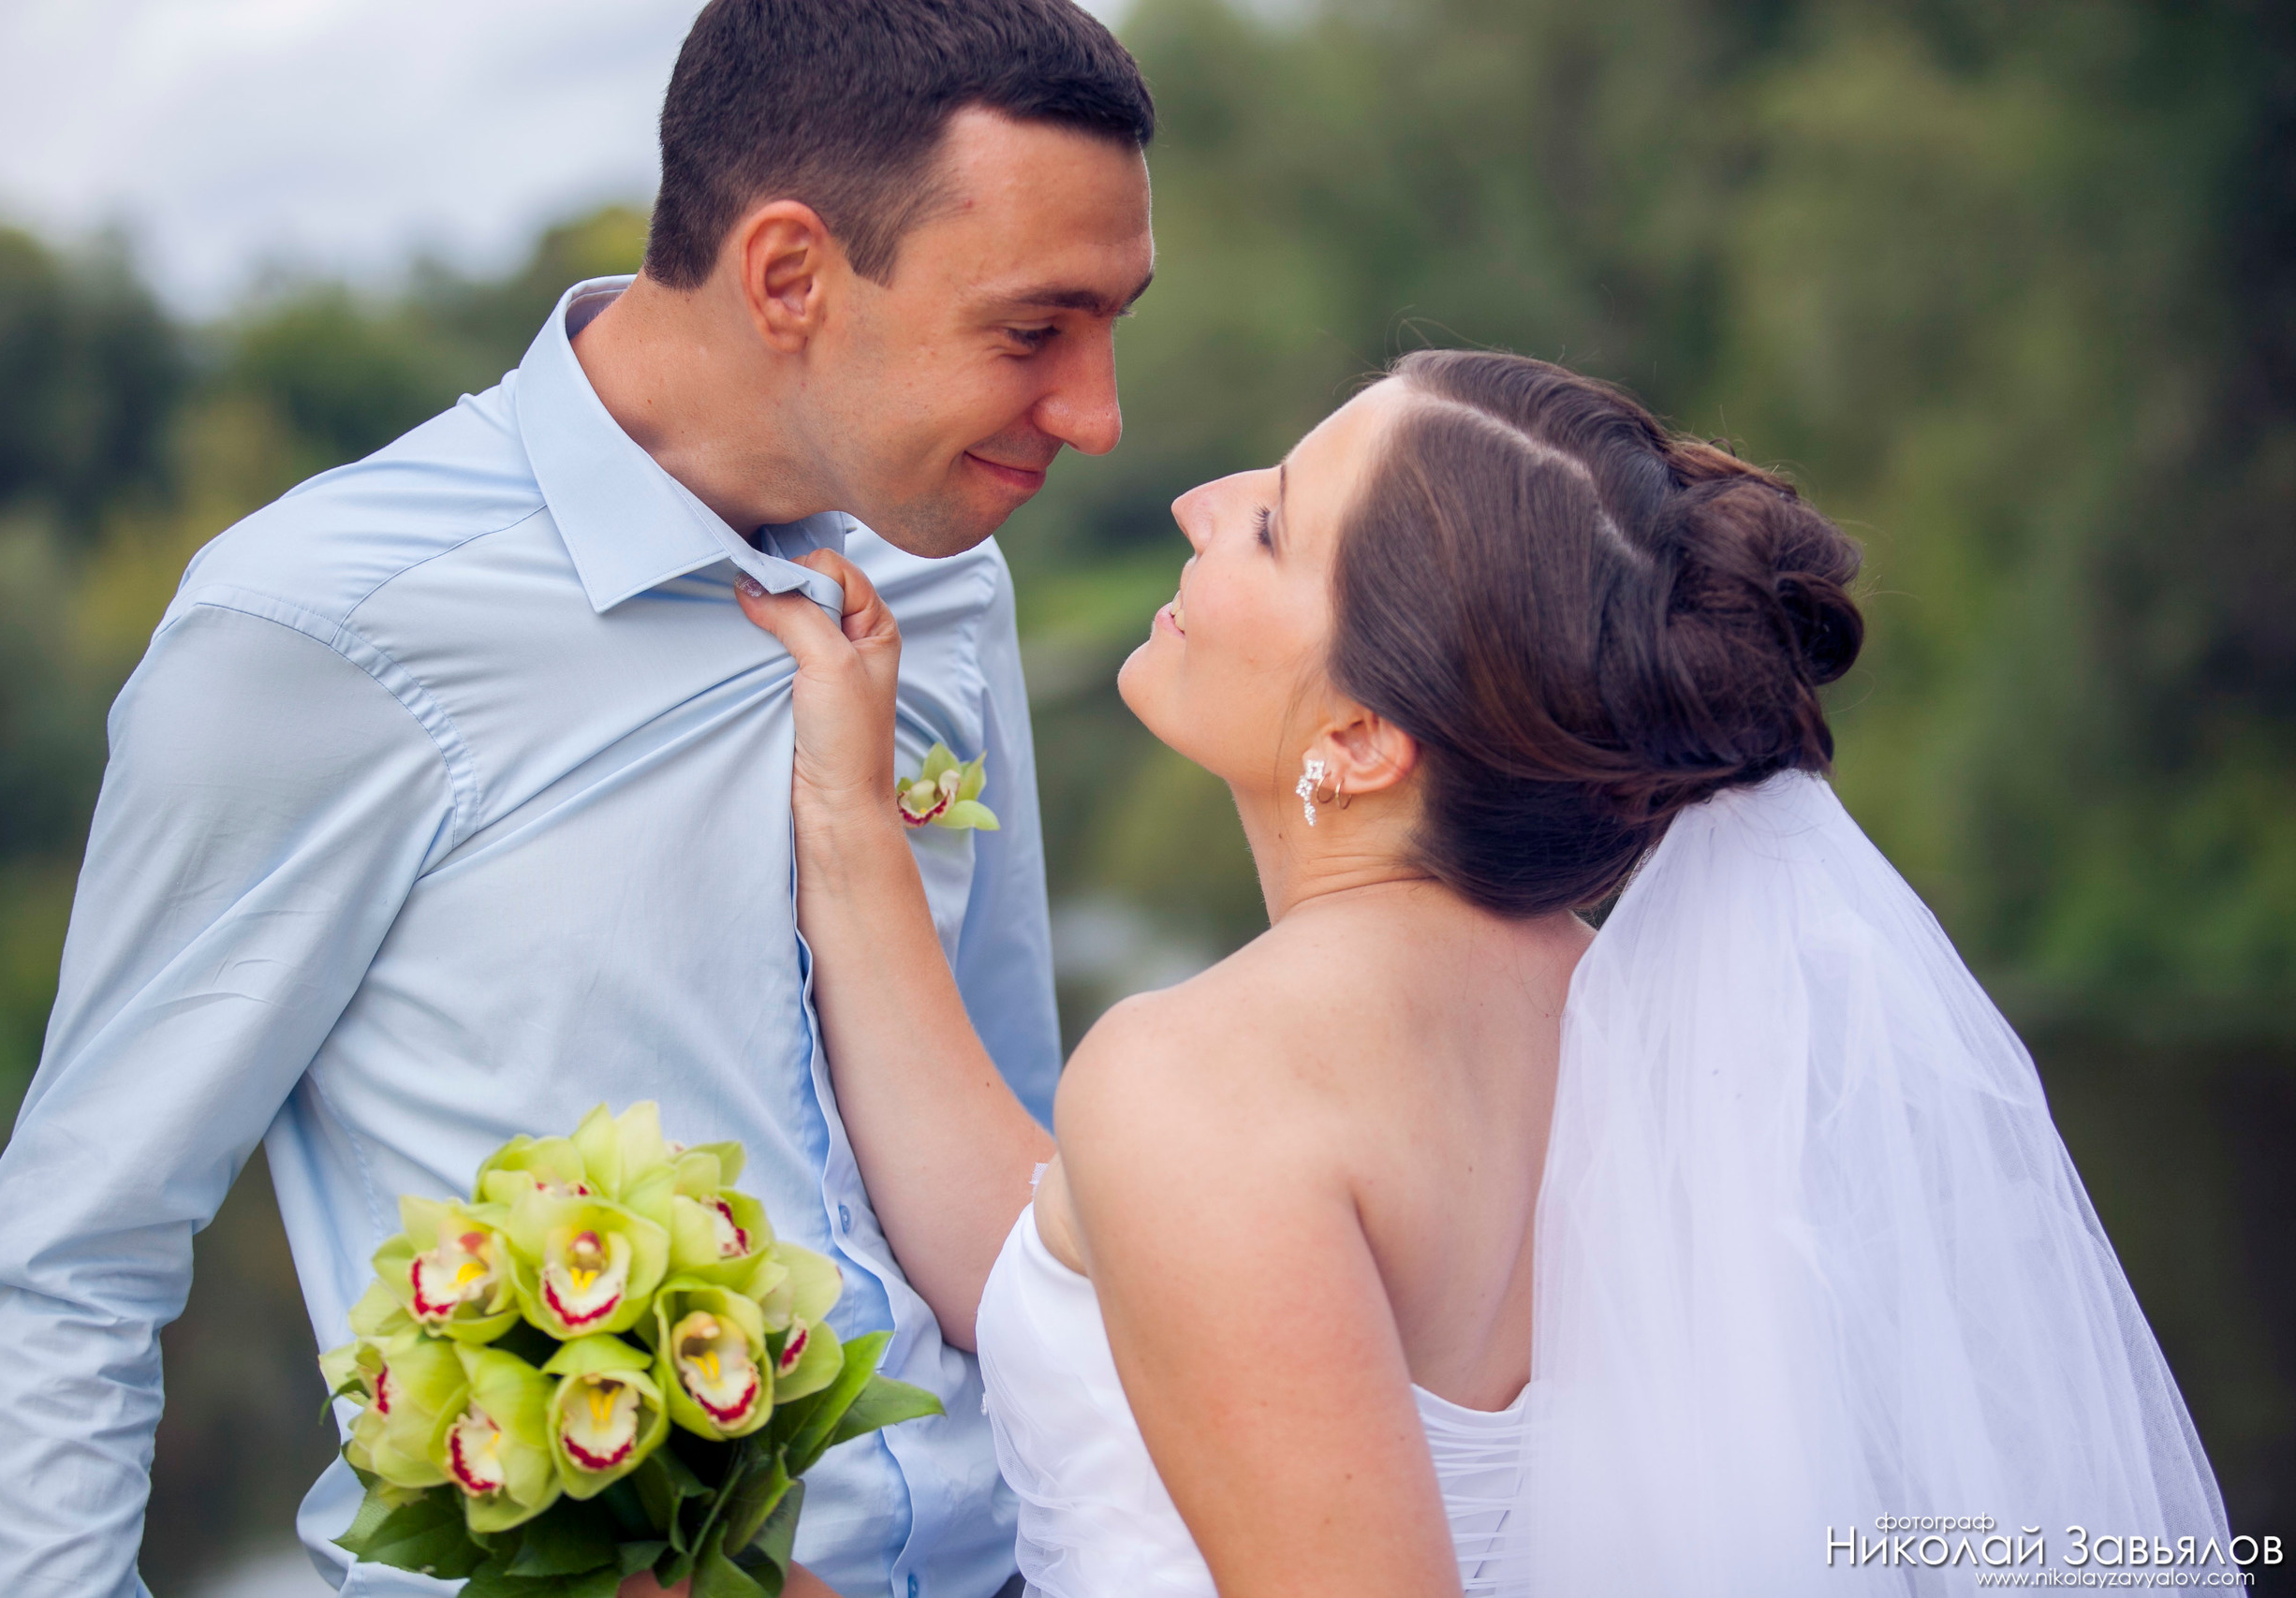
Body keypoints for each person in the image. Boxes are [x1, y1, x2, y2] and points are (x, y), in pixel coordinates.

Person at [0, 3, 1152, 1594]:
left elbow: (1011, 1146)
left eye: (1112, 324)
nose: (1097, 410)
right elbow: (71, 1275)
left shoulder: (941, 581)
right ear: (788, 274)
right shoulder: (317, 631)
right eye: (1033, 330)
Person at [740, 349, 2232, 1595]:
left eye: (1270, 527)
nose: (1200, 501)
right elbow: (1059, 1264)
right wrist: (849, 817)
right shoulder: (1649, 1028)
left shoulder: (1202, 1079)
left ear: (1359, 742)